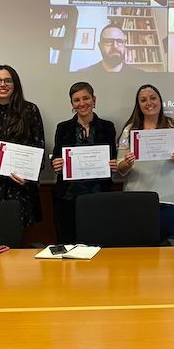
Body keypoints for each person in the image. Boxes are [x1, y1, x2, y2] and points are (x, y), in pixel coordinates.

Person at [117, 84, 174, 242]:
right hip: (138, 197)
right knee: (140, 244)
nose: (149, 103)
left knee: (167, 244)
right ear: (138, 104)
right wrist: (127, 163)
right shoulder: (129, 130)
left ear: (160, 101)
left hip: (172, 196)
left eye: (153, 98)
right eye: (143, 100)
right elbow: (120, 166)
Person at [0, 65, 46, 228]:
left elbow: (39, 148)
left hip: (20, 186)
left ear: (15, 84)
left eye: (8, 81)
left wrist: (27, 175)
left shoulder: (29, 110)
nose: (2, 84)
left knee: (17, 238)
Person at [51, 82, 117, 244]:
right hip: (68, 196)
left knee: (99, 244)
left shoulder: (107, 127)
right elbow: (56, 155)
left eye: (86, 98)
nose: (82, 103)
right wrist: (56, 163)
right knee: (68, 244)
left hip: (99, 195)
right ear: (72, 104)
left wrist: (113, 164)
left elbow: (113, 157)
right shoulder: (63, 127)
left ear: (94, 100)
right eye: (76, 100)